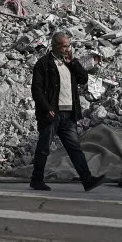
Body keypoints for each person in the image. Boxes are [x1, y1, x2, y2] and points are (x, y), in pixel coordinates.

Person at [30, 31, 105, 192]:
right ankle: (36, 180)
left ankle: (87, 180)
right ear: (55, 46)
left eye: (68, 46)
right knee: (44, 148)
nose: (67, 49)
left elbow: (83, 79)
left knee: (74, 148)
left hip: (68, 114)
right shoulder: (44, 64)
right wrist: (47, 108)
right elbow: (37, 89)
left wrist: (74, 63)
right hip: (52, 114)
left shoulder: (70, 63)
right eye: (64, 46)